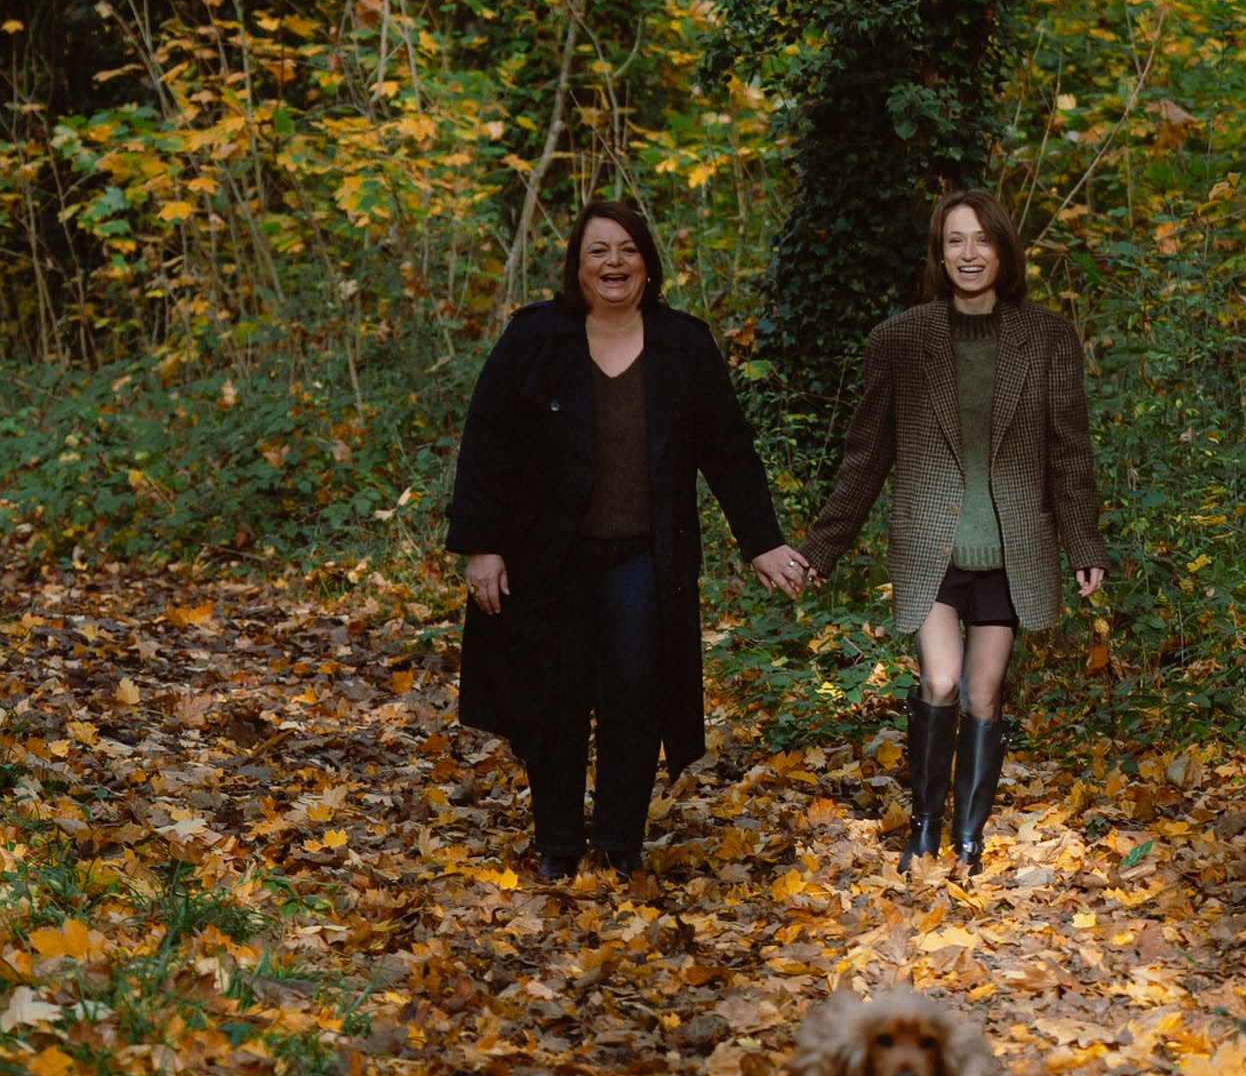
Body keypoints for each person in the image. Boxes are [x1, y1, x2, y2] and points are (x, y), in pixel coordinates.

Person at [449, 196, 813, 880]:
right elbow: (487, 440)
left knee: (634, 696)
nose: (613, 263)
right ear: (576, 265)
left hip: (645, 560)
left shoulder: (684, 343)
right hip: (547, 559)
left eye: (627, 250)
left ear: (647, 263)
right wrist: (481, 545)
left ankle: (620, 840)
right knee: (554, 700)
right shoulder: (535, 338)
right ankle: (558, 843)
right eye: (598, 251)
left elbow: (728, 450)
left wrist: (762, 541)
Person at [799, 185, 1109, 876]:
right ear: (940, 255)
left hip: (1010, 547)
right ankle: (924, 829)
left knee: (983, 693)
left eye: (982, 239)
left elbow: (1070, 449)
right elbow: (866, 455)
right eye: (955, 242)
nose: (970, 253)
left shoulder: (1049, 337)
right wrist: (824, 546)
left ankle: (968, 841)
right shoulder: (902, 340)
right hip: (930, 545)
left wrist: (1085, 544)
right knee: (939, 681)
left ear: (1003, 249)